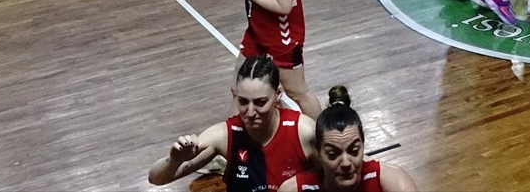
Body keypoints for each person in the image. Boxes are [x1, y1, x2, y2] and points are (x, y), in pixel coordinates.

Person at [148, 55, 317, 189]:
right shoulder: (225, 136)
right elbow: (156, 179)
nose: (250, 113)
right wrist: (174, 160)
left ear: (278, 94)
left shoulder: (304, 132)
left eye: (260, 102)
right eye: (243, 102)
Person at [279, 86, 418, 192]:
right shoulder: (295, 189)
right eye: (333, 154)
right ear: (318, 151)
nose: (346, 163)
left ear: (363, 145)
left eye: (354, 151)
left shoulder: (391, 181)